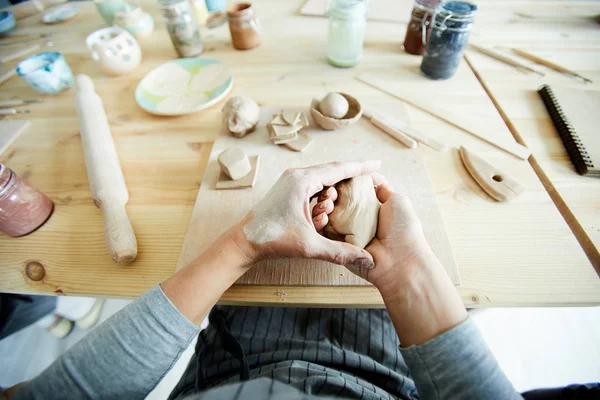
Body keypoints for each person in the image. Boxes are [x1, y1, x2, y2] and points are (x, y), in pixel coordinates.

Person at [0, 161, 524, 399]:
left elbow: (70, 392)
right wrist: (409, 272)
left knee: (250, 288)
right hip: (389, 372)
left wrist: (246, 243)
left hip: (230, 363)